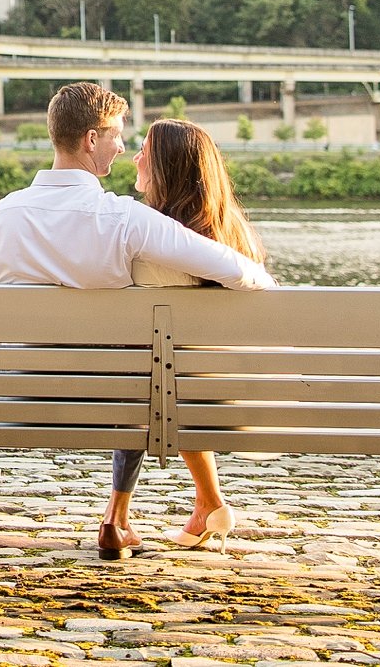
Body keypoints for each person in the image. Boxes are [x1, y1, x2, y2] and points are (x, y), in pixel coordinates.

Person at [0, 83, 274, 560]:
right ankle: (117, 518)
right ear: (89, 140)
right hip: (104, 400)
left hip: (9, 395)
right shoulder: (127, 220)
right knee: (140, 371)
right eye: (117, 136)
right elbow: (244, 274)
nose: (123, 147)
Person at [128, 116, 271, 551]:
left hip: (165, 392)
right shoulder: (234, 236)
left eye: (144, 152)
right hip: (241, 390)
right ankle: (209, 503)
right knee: (180, 373)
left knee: (162, 376)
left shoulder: (149, 243)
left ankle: (130, 513)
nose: (134, 157)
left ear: (166, 168)